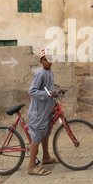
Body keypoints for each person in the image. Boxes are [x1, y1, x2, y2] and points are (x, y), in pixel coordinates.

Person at [27, 48, 59, 176]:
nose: (49, 62)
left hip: (47, 109)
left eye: (50, 59)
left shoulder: (50, 73)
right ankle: (31, 166)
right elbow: (32, 91)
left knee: (46, 132)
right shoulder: (40, 74)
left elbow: (49, 89)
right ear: (41, 61)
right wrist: (49, 94)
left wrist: (56, 92)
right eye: (46, 59)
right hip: (39, 111)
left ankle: (45, 157)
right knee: (37, 135)